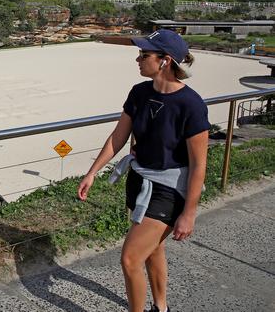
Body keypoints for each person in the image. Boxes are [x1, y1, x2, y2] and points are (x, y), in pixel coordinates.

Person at [76, 29, 210, 312]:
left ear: (165, 61)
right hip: (139, 180)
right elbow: (118, 137)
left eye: (144, 55)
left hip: (170, 189)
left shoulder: (191, 104)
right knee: (153, 249)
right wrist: (92, 173)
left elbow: (199, 164)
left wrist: (189, 213)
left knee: (130, 258)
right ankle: (161, 308)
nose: (138, 59)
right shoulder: (139, 93)